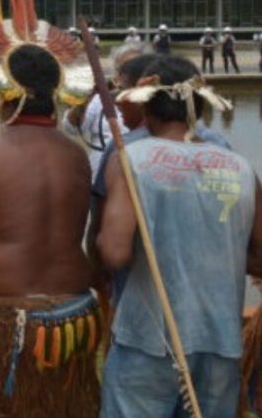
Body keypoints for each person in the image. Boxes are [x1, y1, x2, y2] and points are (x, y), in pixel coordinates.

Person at [0, 0, 100, 417]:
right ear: (56, 91)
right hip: (74, 311)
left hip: (4, 317)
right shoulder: (77, 155)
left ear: (3, 90)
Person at [99, 55, 261, 417]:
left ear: (147, 109)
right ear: (200, 108)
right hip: (220, 340)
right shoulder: (241, 168)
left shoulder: (130, 159)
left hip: (148, 340)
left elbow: (113, 253)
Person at [62, 44, 143, 182]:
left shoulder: (152, 99)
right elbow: (71, 128)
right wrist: (84, 102)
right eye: (124, 69)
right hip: (100, 173)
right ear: (117, 72)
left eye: (136, 68)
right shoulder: (100, 98)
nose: (131, 73)